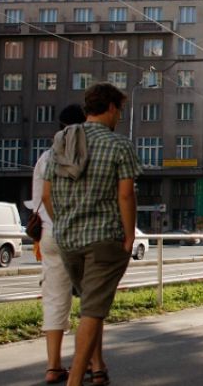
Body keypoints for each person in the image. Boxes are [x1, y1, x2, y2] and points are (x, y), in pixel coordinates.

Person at [42, 83, 141, 386]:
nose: (119, 117)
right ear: (111, 108)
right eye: (119, 111)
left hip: (68, 238)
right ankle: (75, 379)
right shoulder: (118, 144)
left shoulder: (61, 139)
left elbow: (46, 194)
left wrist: (63, 224)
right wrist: (128, 236)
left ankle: (98, 369)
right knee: (93, 310)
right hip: (104, 238)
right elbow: (125, 196)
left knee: (90, 306)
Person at [33, 104, 87, 384]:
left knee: (54, 299)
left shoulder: (45, 157)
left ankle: (53, 366)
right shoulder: (85, 154)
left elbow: (38, 199)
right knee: (91, 300)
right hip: (80, 233)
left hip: (50, 233)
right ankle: (91, 362)